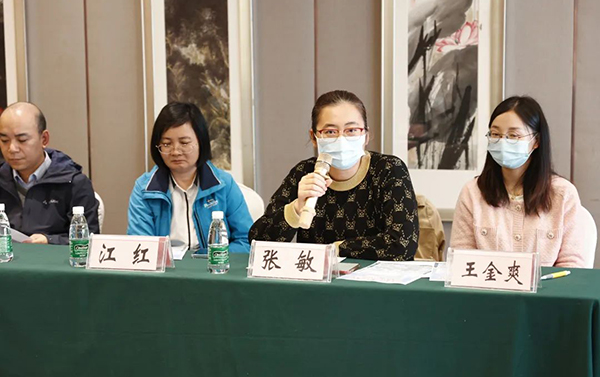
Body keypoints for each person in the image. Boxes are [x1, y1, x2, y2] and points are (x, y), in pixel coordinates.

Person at [249, 90, 419, 261]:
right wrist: (296, 209)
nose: (341, 139)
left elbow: (402, 244)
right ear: (314, 137)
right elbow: (258, 241)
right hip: (318, 278)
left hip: (376, 277)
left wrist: (334, 250)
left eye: (351, 130)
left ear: (366, 136)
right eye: (330, 132)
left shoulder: (388, 169)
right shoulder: (304, 172)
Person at [451, 96, 585, 267]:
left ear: (536, 141)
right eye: (495, 134)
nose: (503, 142)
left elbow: (572, 265)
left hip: (548, 285)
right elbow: (461, 260)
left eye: (513, 135)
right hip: (487, 285)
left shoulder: (563, 194)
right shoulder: (472, 193)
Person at [127, 102, 252, 252]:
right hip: (165, 265)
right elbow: (141, 246)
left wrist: (213, 258)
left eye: (184, 143)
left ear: (201, 141)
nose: (175, 151)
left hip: (213, 264)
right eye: (166, 144)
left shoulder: (224, 184)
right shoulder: (144, 189)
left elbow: (245, 240)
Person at [0, 102, 99, 244]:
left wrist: (50, 240)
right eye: (4, 140)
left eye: (22, 140)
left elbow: (90, 241)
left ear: (44, 139)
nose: (12, 148)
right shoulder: (2, 178)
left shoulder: (73, 182)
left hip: (56, 257)